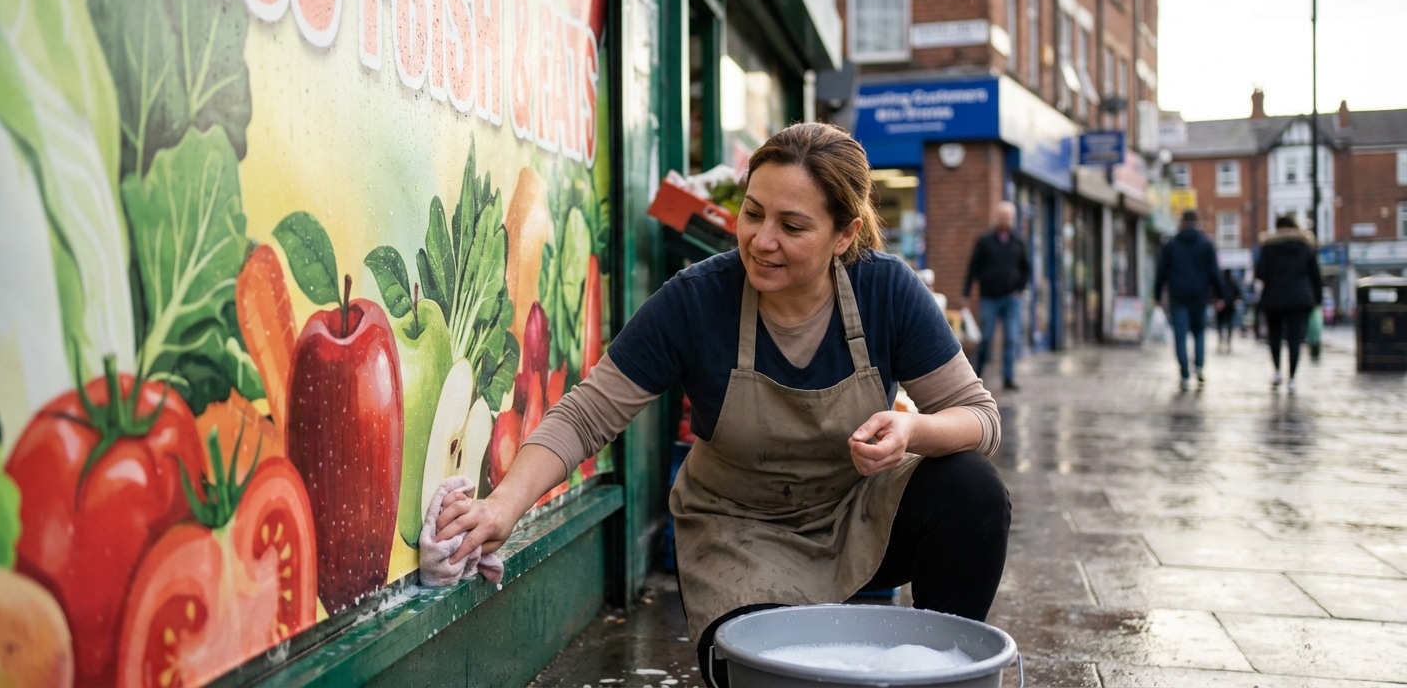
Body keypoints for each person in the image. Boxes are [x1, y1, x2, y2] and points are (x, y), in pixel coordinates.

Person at [433, 122, 1011, 688]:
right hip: (739, 536)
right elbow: (587, 415)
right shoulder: (696, 300)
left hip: (858, 516)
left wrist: (913, 434)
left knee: (972, 491)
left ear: (844, 234)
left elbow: (980, 420)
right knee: (763, 672)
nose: (762, 240)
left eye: (792, 225)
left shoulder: (886, 291)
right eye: (753, 213)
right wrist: (503, 506)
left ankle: (942, 676)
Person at [1153, 209, 1227, 391]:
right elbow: (1214, 273)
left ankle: (1184, 372)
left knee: (1180, 334)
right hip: (1200, 296)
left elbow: (1161, 272)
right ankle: (1199, 366)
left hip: (1178, 296)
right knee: (1199, 332)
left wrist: (1156, 296)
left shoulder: (1171, 245)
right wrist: (1220, 296)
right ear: (1197, 222)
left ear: (1182, 222)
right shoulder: (1206, 244)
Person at [962, 201, 1030, 390]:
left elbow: (1026, 268)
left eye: (1008, 217)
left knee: (1011, 339)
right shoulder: (984, 242)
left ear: (1013, 219)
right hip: (989, 298)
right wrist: (965, 294)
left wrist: (1020, 288)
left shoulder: (1018, 241)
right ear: (996, 218)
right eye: (1002, 217)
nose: (1005, 220)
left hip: (1011, 299)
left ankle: (1008, 378)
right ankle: (977, 376)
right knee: (985, 338)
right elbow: (972, 269)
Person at [1254, 215, 1323, 392]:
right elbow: (1314, 275)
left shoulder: (1268, 247)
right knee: (1295, 339)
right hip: (1299, 298)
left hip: (1274, 297)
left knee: (1275, 337)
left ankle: (1277, 372)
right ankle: (1292, 378)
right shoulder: (1305, 247)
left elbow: (1260, 273)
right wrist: (1317, 299)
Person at [1215, 269, 1244, 351]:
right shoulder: (1233, 283)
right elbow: (1239, 295)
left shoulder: (1220, 283)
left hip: (1222, 306)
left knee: (1221, 325)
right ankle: (1227, 342)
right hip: (1229, 306)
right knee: (1228, 325)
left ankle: (1222, 341)